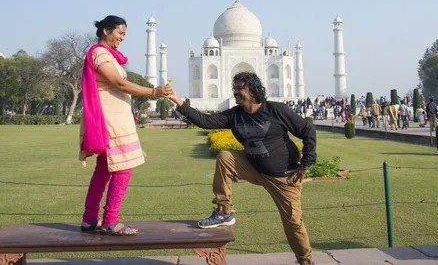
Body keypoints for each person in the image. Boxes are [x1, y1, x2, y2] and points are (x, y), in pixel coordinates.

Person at [167, 72, 317, 265]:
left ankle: (306, 261)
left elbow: (308, 130)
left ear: (253, 91)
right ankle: (224, 211)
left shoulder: (276, 110)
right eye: (235, 88)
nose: (236, 92)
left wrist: (306, 163)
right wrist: (178, 102)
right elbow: (206, 121)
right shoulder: (235, 114)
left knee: (293, 223)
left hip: (283, 177)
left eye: (240, 88)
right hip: (253, 168)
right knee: (225, 156)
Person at [79, 15, 172, 236]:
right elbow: (119, 83)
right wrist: (153, 92)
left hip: (114, 118)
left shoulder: (107, 55)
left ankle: (90, 219)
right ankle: (110, 220)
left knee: (103, 170)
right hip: (111, 120)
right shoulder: (100, 53)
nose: (121, 38)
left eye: (124, 35)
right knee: (123, 167)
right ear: (105, 31)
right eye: (119, 33)